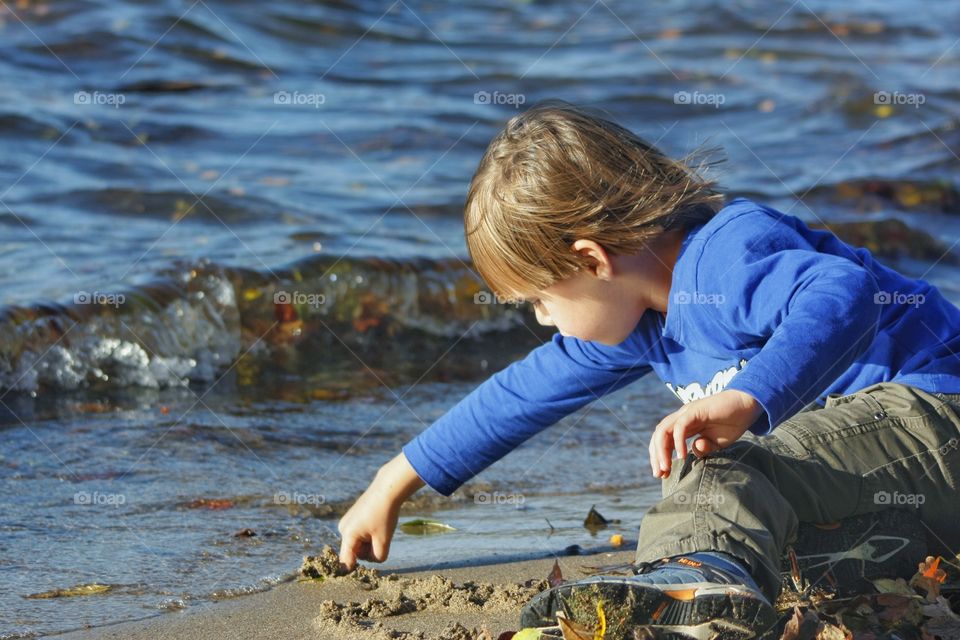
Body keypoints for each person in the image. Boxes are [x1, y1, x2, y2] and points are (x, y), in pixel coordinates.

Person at [337, 100, 960, 637]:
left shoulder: (723, 255)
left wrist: (749, 397)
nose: (544, 321)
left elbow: (843, 293)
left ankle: (696, 583)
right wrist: (393, 482)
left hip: (934, 415)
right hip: (898, 478)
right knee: (762, 523)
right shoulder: (640, 325)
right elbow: (521, 394)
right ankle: (805, 564)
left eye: (539, 301)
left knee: (721, 467)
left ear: (591, 259)